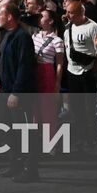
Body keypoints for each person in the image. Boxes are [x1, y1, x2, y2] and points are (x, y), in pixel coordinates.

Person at [0, 2, 39, 181]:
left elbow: (25, 67)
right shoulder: (7, 35)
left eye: (0, 14)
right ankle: (16, 164)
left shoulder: (22, 37)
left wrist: (17, 92)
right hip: (5, 89)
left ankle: (31, 170)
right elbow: (3, 63)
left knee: (25, 131)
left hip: (20, 93)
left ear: (10, 16)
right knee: (9, 130)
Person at [62, 0, 97, 149]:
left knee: (90, 109)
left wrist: (95, 69)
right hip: (72, 73)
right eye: (67, 12)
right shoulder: (68, 27)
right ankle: (80, 138)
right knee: (76, 108)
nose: (68, 15)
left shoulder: (93, 28)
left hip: (87, 72)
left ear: (81, 12)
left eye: (71, 13)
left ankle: (93, 139)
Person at [32, 8, 65, 136]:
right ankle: (35, 140)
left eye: (42, 16)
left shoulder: (57, 41)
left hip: (47, 72)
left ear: (50, 21)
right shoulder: (34, 35)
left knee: (48, 109)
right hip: (35, 72)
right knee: (34, 107)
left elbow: (60, 64)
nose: (39, 18)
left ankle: (51, 141)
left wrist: (57, 85)